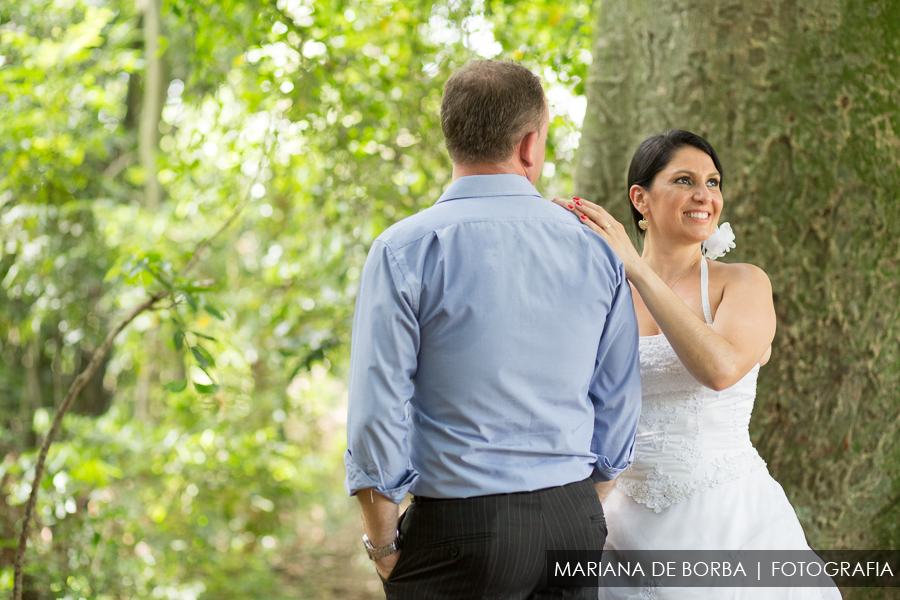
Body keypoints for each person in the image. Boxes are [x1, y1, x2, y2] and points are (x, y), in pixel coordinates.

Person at [344, 59, 643, 599]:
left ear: (452, 139)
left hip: (457, 530)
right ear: (531, 146)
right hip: (571, 518)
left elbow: (377, 411)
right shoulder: (597, 248)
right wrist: (580, 503)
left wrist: (383, 545)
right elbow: (618, 396)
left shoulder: (403, 250)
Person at [554, 130, 842, 599]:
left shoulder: (743, 283)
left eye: (713, 182)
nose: (704, 195)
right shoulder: (602, 295)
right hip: (618, 526)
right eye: (685, 180)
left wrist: (638, 269)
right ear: (640, 199)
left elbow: (720, 370)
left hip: (729, 522)